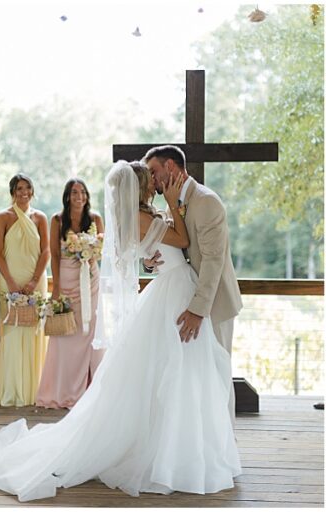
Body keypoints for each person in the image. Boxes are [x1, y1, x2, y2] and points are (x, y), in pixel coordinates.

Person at [0, 161, 241, 501]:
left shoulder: (142, 215)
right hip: (174, 292)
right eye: (149, 179)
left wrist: (155, 249)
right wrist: (171, 208)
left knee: (179, 373)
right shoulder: (144, 216)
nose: (154, 182)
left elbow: (156, 251)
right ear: (140, 186)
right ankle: (170, 454)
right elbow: (180, 238)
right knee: (176, 370)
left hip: (171, 287)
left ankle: (178, 447)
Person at [144, 145, 243, 423]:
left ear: (171, 168)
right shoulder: (171, 204)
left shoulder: (206, 201)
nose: (150, 179)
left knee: (217, 371)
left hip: (213, 303)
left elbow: (213, 260)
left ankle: (224, 441)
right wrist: (150, 262)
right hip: (182, 299)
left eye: (154, 171)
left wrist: (198, 310)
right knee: (190, 375)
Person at [36, 178, 106, 409]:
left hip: (90, 281)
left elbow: (101, 252)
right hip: (66, 281)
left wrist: (89, 251)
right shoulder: (57, 220)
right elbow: (54, 255)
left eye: (83, 192)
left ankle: (89, 389)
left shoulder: (95, 219)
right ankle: (62, 389)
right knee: (65, 336)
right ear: (67, 196)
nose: (79, 196)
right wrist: (55, 288)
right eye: (75, 192)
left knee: (89, 330)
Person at [0, 173, 50, 406]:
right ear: (12, 192)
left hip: (35, 280)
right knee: (13, 331)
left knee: (35, 331)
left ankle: (34, 389)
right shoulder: (3, 217)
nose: (23, 192)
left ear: (32, 191)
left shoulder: (40, 217)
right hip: (10, 279)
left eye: (27, 188)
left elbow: (46, 251)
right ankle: (12, 389)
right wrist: (11, 282)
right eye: (18, 189)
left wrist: (35, 280)